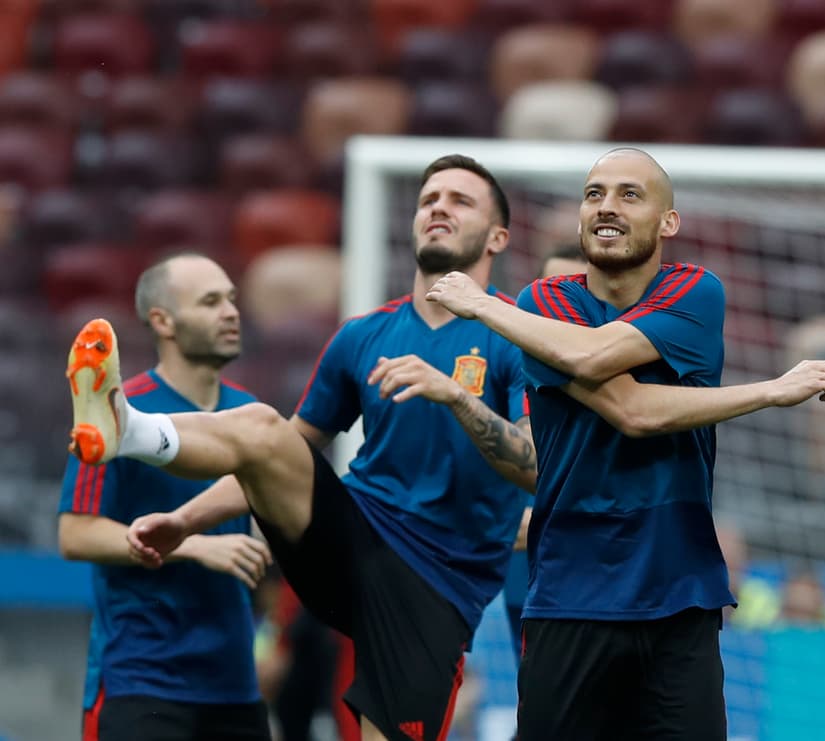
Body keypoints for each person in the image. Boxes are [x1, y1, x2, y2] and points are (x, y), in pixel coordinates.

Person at [71, 155, 537, 741]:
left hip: (436, 587)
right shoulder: (362, 335)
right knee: (265, 426)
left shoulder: (516, 336)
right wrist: (184, 522)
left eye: (460, 200)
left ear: (498, 237)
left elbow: (536, 467)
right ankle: (128, 427)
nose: (438, 207)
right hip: (353, 541)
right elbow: (276, 451)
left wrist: (456, 396)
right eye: (428, 199)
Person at [425, 147, 825, 740]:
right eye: (594, 194)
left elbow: (607, 372)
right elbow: (630, 409)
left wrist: (484, 307)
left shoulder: (696, 292)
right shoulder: (541, 304)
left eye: (630, 194)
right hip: (570, 594)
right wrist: (770, 391)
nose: (607, 206)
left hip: (679, 593)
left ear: (668, 221)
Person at [58, 253, 272, 740]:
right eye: (210, 302)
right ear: (163, 321)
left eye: (232, 299)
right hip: (141, 681)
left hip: (235, 685)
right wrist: (193, 545)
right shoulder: (117, 411)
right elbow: (75, 534)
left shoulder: (250, 413)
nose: (231, 312)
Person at [499, 244, 590, 668]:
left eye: (576, 293)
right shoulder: (513, 371)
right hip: (526, 583)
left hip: (606, 587)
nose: (561, 308)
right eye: (552, 290)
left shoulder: (633, 385)